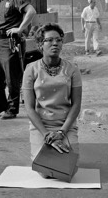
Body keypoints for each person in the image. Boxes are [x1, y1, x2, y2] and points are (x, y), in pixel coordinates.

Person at [22, 23, 82, 176]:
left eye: (58, 40)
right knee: (45, 171)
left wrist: (62, 132)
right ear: (40, 44)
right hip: (41, 126)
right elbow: (29, 107)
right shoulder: (31, 69)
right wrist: (47, 135)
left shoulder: (72, 69)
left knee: (69, 170)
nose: (55, 43)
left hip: (65, 125)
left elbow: (76, 105)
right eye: (49, 40)